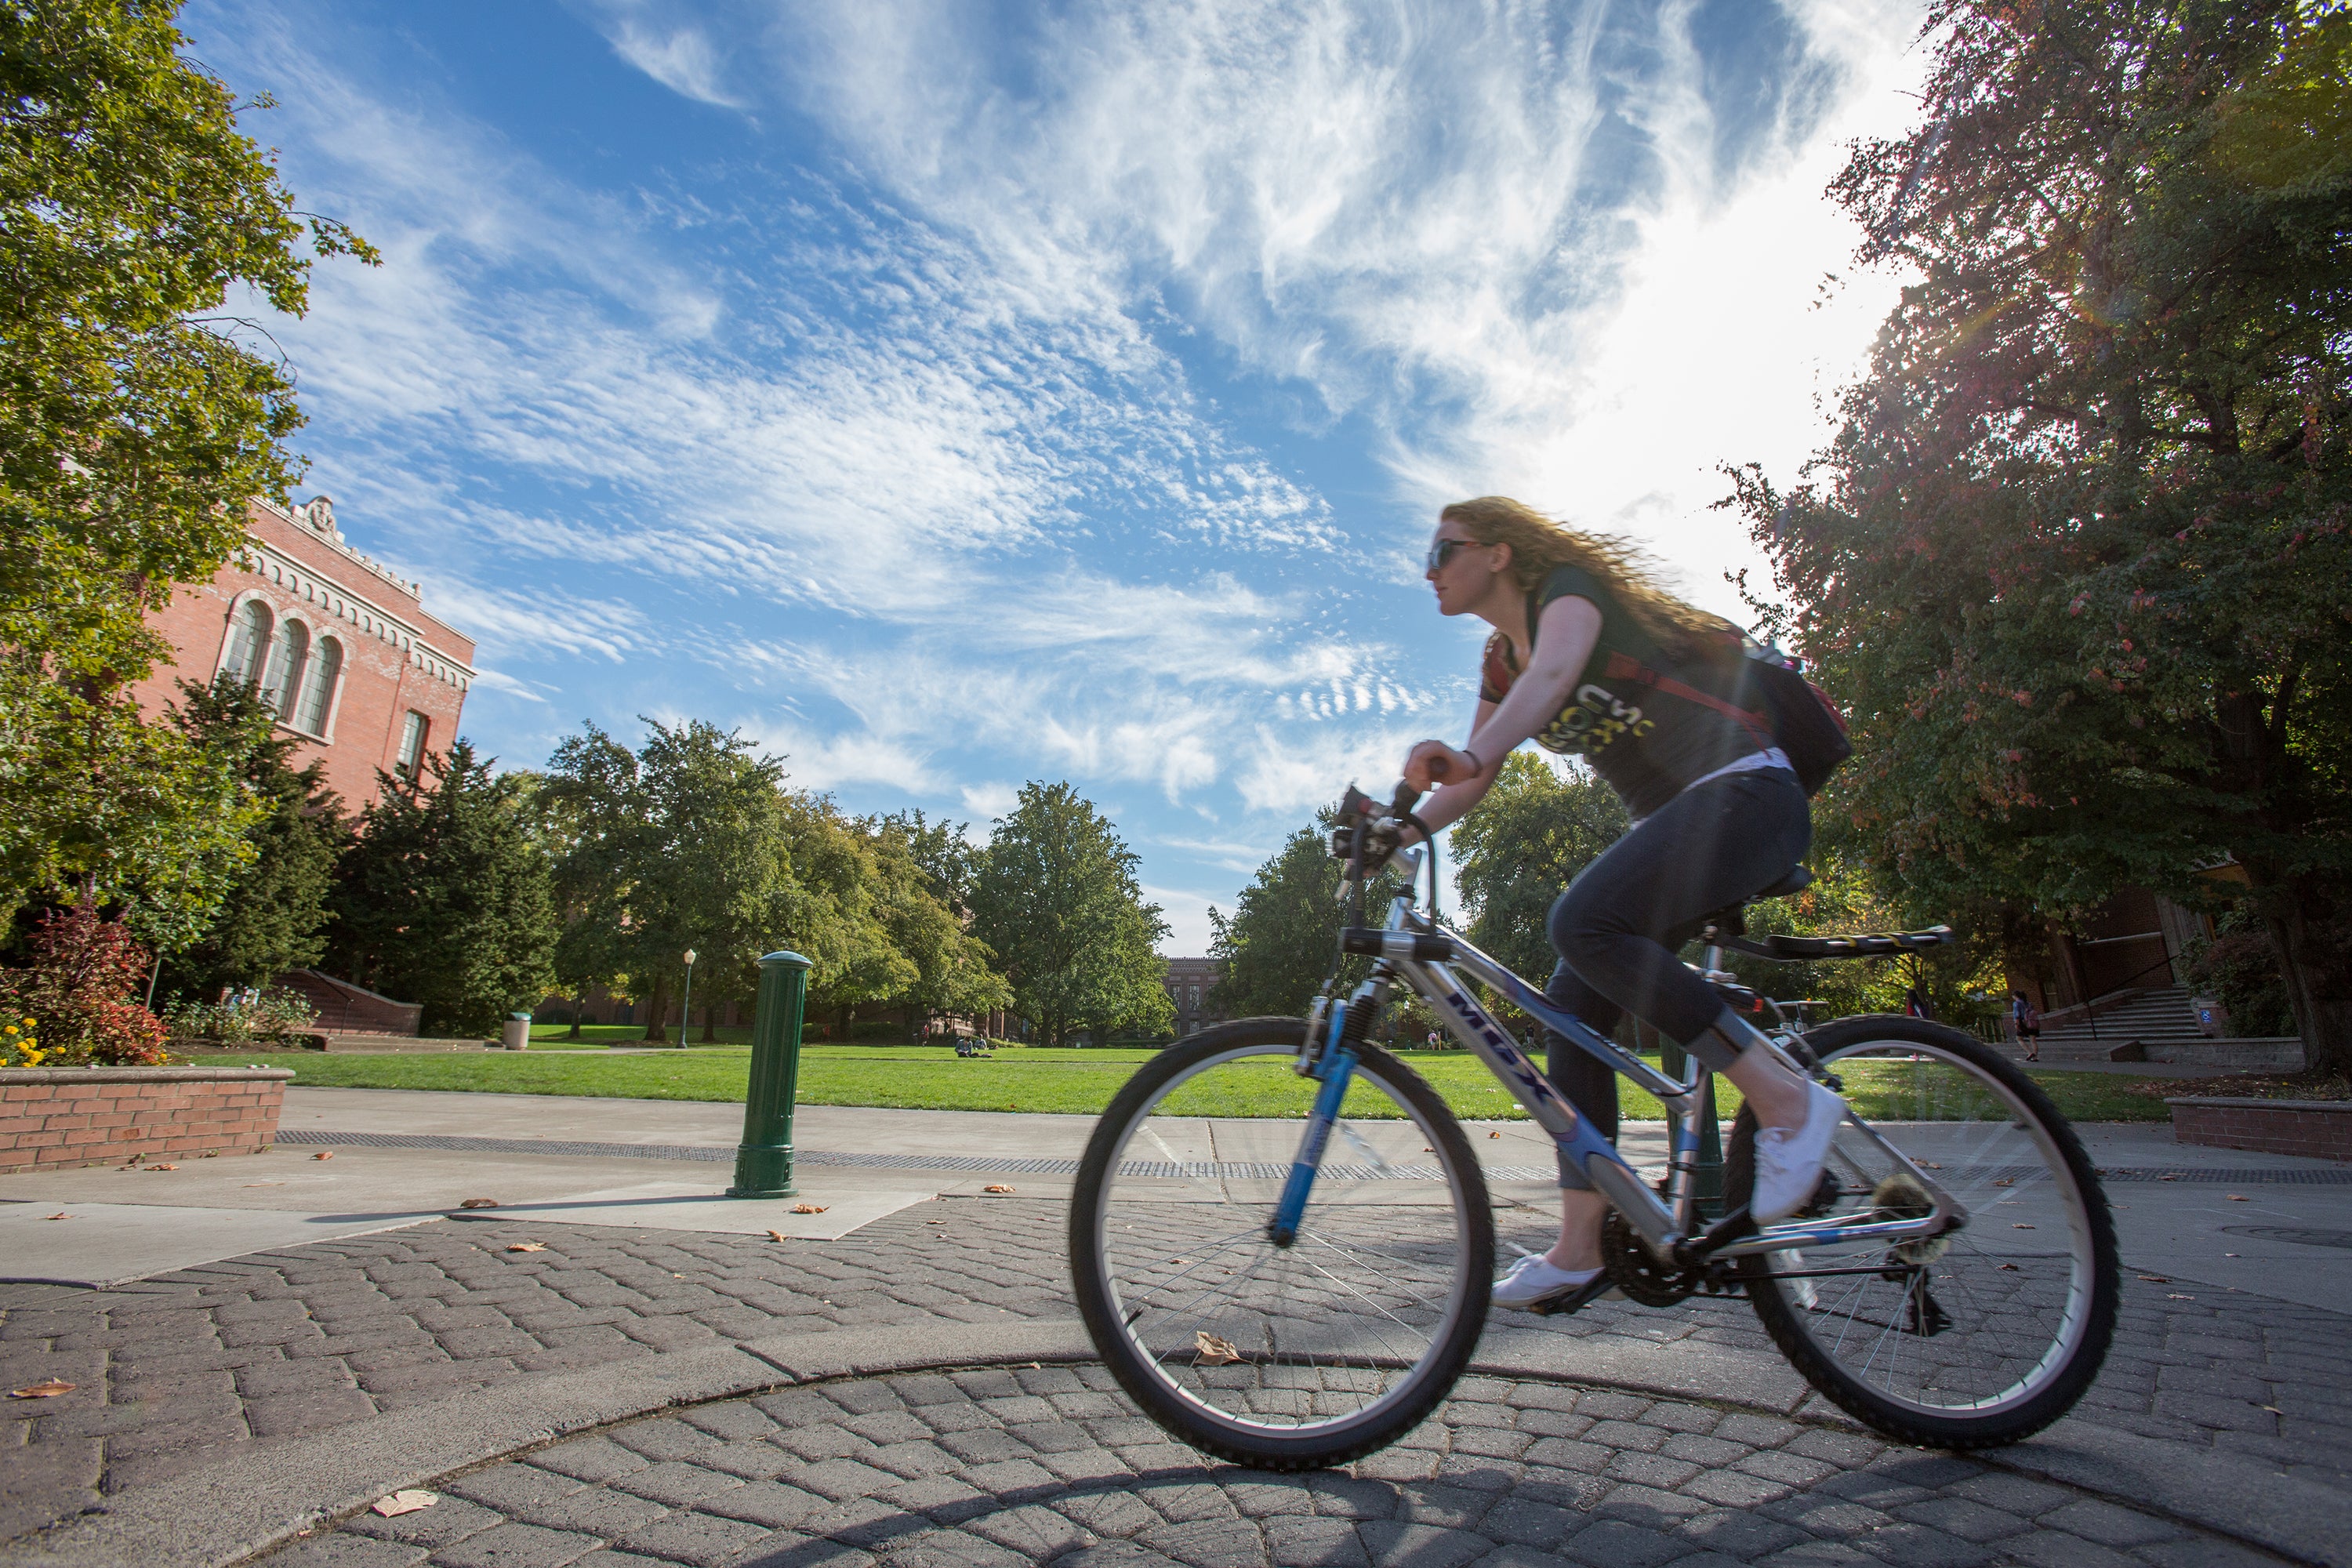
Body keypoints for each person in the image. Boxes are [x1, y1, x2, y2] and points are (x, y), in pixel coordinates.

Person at [1389, 496, 1849, 1311]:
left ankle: (1787, 1099)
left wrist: (1464, 753)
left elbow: (1557, 675)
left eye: (1442, 548)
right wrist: (1402, 831)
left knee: (1581, 921)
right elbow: (1479, 775)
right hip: (1687, 826)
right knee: (1574, 1000)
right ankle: (1580, 1245)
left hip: (1748, 793)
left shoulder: (1568, 589)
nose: (1428, 570)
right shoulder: (1500, 662)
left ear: (1497, 551)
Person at [2011, 989, 2042, 1062]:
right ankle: (2035, 1057)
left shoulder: (2016, 1004)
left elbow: (2017, 1015)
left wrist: (2016, 1024)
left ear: (2015, 996)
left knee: (2019, 1039)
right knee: (2033, 1040)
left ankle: (2029, 1053)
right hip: (2031, 1022)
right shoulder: (2028, 1004)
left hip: (2022, 1023)